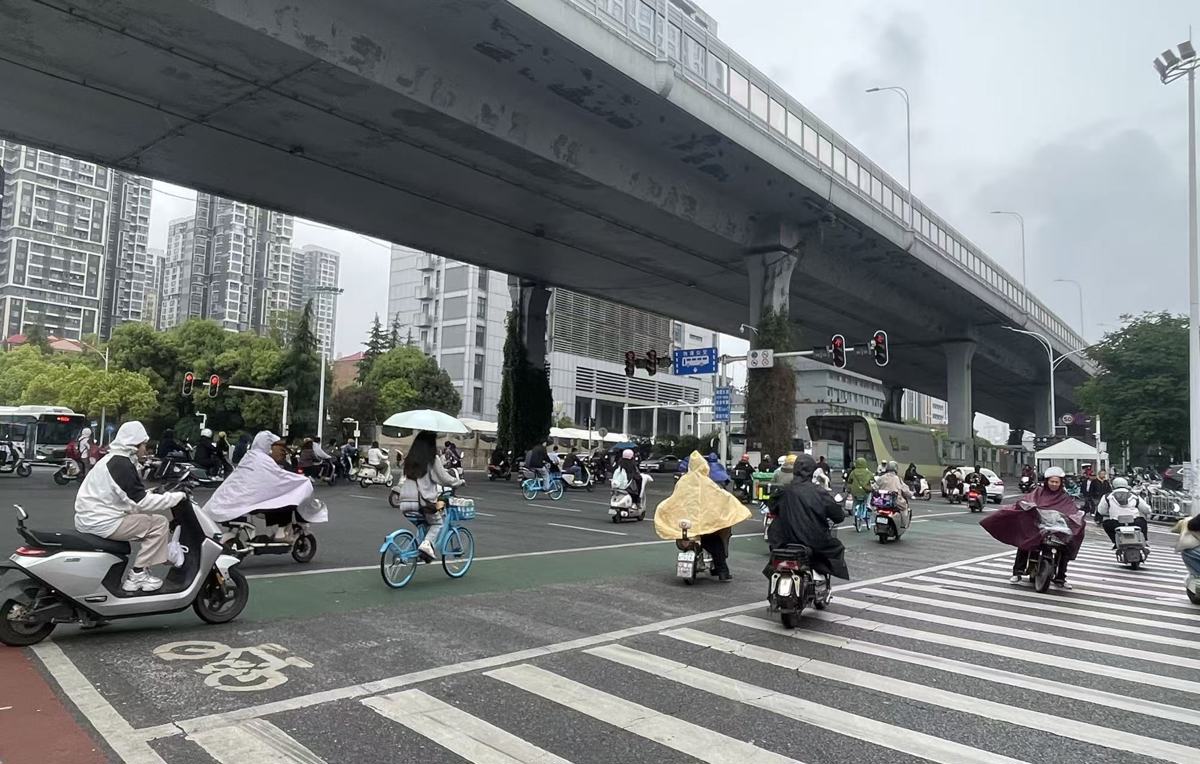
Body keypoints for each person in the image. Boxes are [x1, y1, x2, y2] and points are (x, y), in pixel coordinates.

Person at [74, 421, 186, 592]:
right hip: (103, 521)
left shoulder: (113, 460)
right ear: (134, 445)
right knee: (159, 524)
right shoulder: (121, 464)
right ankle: (138, 575)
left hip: (93, 516)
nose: (145, 449)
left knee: (149, 521)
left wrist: (155, 492)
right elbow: (142, 502)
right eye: (144, 445)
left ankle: (146, 567)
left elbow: (128, 496)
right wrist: (177, 497)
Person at [204, 431, 328, 541]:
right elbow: (280, 480)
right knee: (285, 497)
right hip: (248, 503)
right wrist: (302, 481)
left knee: (273, 497)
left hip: (233, 502)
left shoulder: (250, 457)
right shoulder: (263, 460)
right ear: (269, 446)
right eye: (280, 447)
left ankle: (274, 531)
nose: (283, 451)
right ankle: (281, 533)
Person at [981, 467, 1084, 589]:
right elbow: (1027, 500)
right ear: (1047, 481)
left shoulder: (1064, 497)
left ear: (1061, 483)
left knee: (1065, 548)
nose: (1054, 484)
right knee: (1026, 542)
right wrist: (1029, 507)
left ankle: (1061, 577)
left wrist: (1076, 517)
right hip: (1038, 527)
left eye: (1057, 482)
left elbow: (1071, 510)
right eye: (1052, 481)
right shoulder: (1038, 492)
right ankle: (1018, 572)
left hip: (1057, 530)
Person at [766, 454, 849, 583]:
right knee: (836, 548)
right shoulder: (819, 492)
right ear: (812, 471)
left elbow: (772, 508)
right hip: (813, 541)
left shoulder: (783, 491)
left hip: (783, 541)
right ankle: (820, 577)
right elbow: (837, 516)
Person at [396, 430, 466, 561]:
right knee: (437, 523)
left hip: (404, 502)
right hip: (421, 501)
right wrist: (459, 482)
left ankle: (418, 550)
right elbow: (444, 479)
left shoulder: (409, 459)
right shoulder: (432, 459)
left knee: (423, 524)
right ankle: (427, 546)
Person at [1097, 477, 1151, 547]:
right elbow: (1147, 510)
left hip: (1116, 523)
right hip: (1134, 522)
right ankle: (1144, 540)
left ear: (1113, 485)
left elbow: (1101, 511)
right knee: (1142, 521)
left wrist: (1110, 512)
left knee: (1106, 524)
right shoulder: (1134, 495)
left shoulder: (1107, 496)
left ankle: (1115, 542)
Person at [874, 461, 913, 528]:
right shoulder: (897, 479)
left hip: (881, 501)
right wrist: (911, 494)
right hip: (894, 501)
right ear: (896, 468)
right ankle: (903, 524)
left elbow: (874, 487)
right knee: (904, 507)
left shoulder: (881, 478)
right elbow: (905, 490)